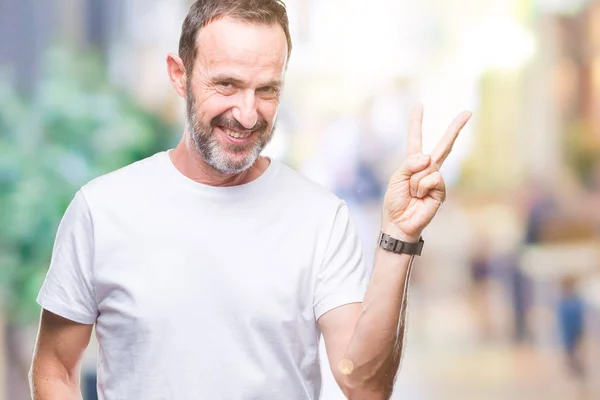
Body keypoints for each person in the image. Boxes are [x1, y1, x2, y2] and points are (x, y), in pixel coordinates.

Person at [28, 1, 471, 399]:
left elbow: (364, 384)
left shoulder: (319, 217)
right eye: (226, 84)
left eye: (266, 90)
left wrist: (399, 237)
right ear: (179, 76)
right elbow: (54, 367)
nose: (247, 113)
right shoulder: (101, 210)